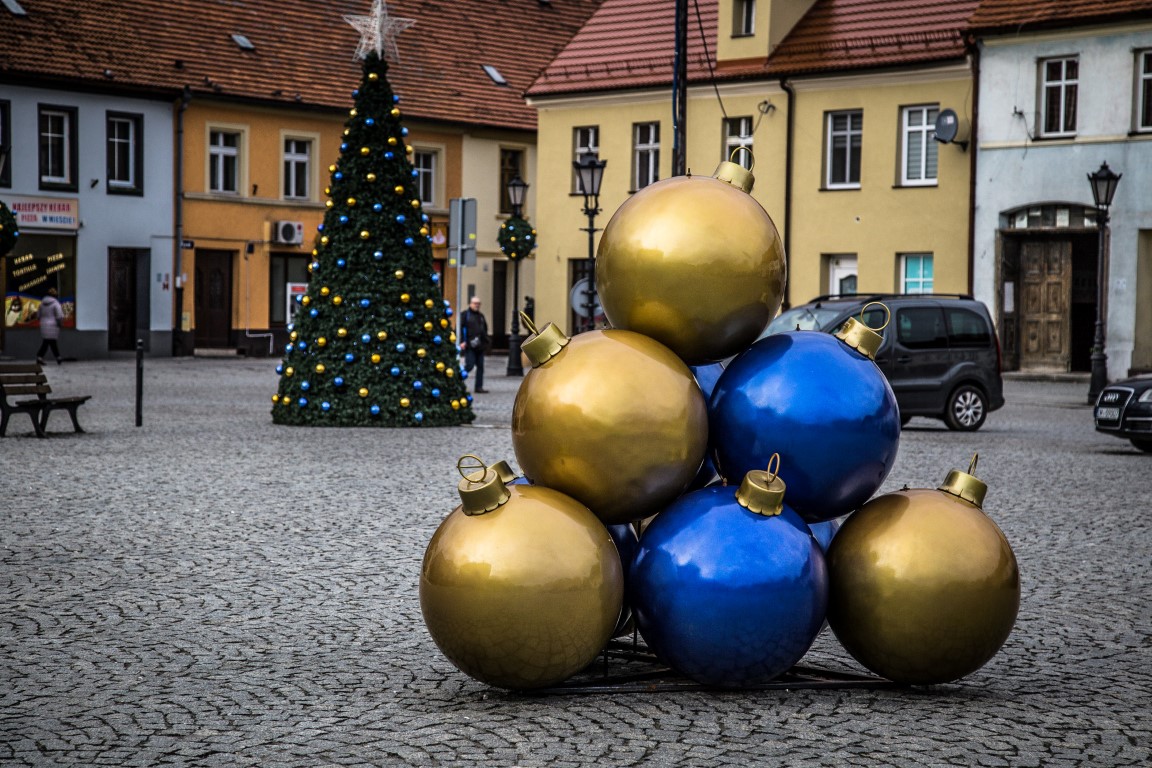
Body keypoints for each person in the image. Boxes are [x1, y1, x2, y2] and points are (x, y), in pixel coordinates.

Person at [459, 296, 490, 393]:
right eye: (475, 303)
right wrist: (462, 341)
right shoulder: (465, 315)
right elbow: (459, 328)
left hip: (480, 345)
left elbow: (484, 329)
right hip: (469, 345)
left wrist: (487, 342)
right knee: (469, 365)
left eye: (478, 303)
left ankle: (478, 387)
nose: (477, 305)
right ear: (470, 304)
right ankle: (458, 380)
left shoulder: (481, 316)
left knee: (480, 367)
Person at [36, 287, 65, 365]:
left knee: (48, 341)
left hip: (43, 325)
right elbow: (59, 316)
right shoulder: (56, 303)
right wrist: (60, 323)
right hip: (53, 325)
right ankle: (57, 357)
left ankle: (56, 357)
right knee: (50, 342)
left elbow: (38, 315)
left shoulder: (41, 304)